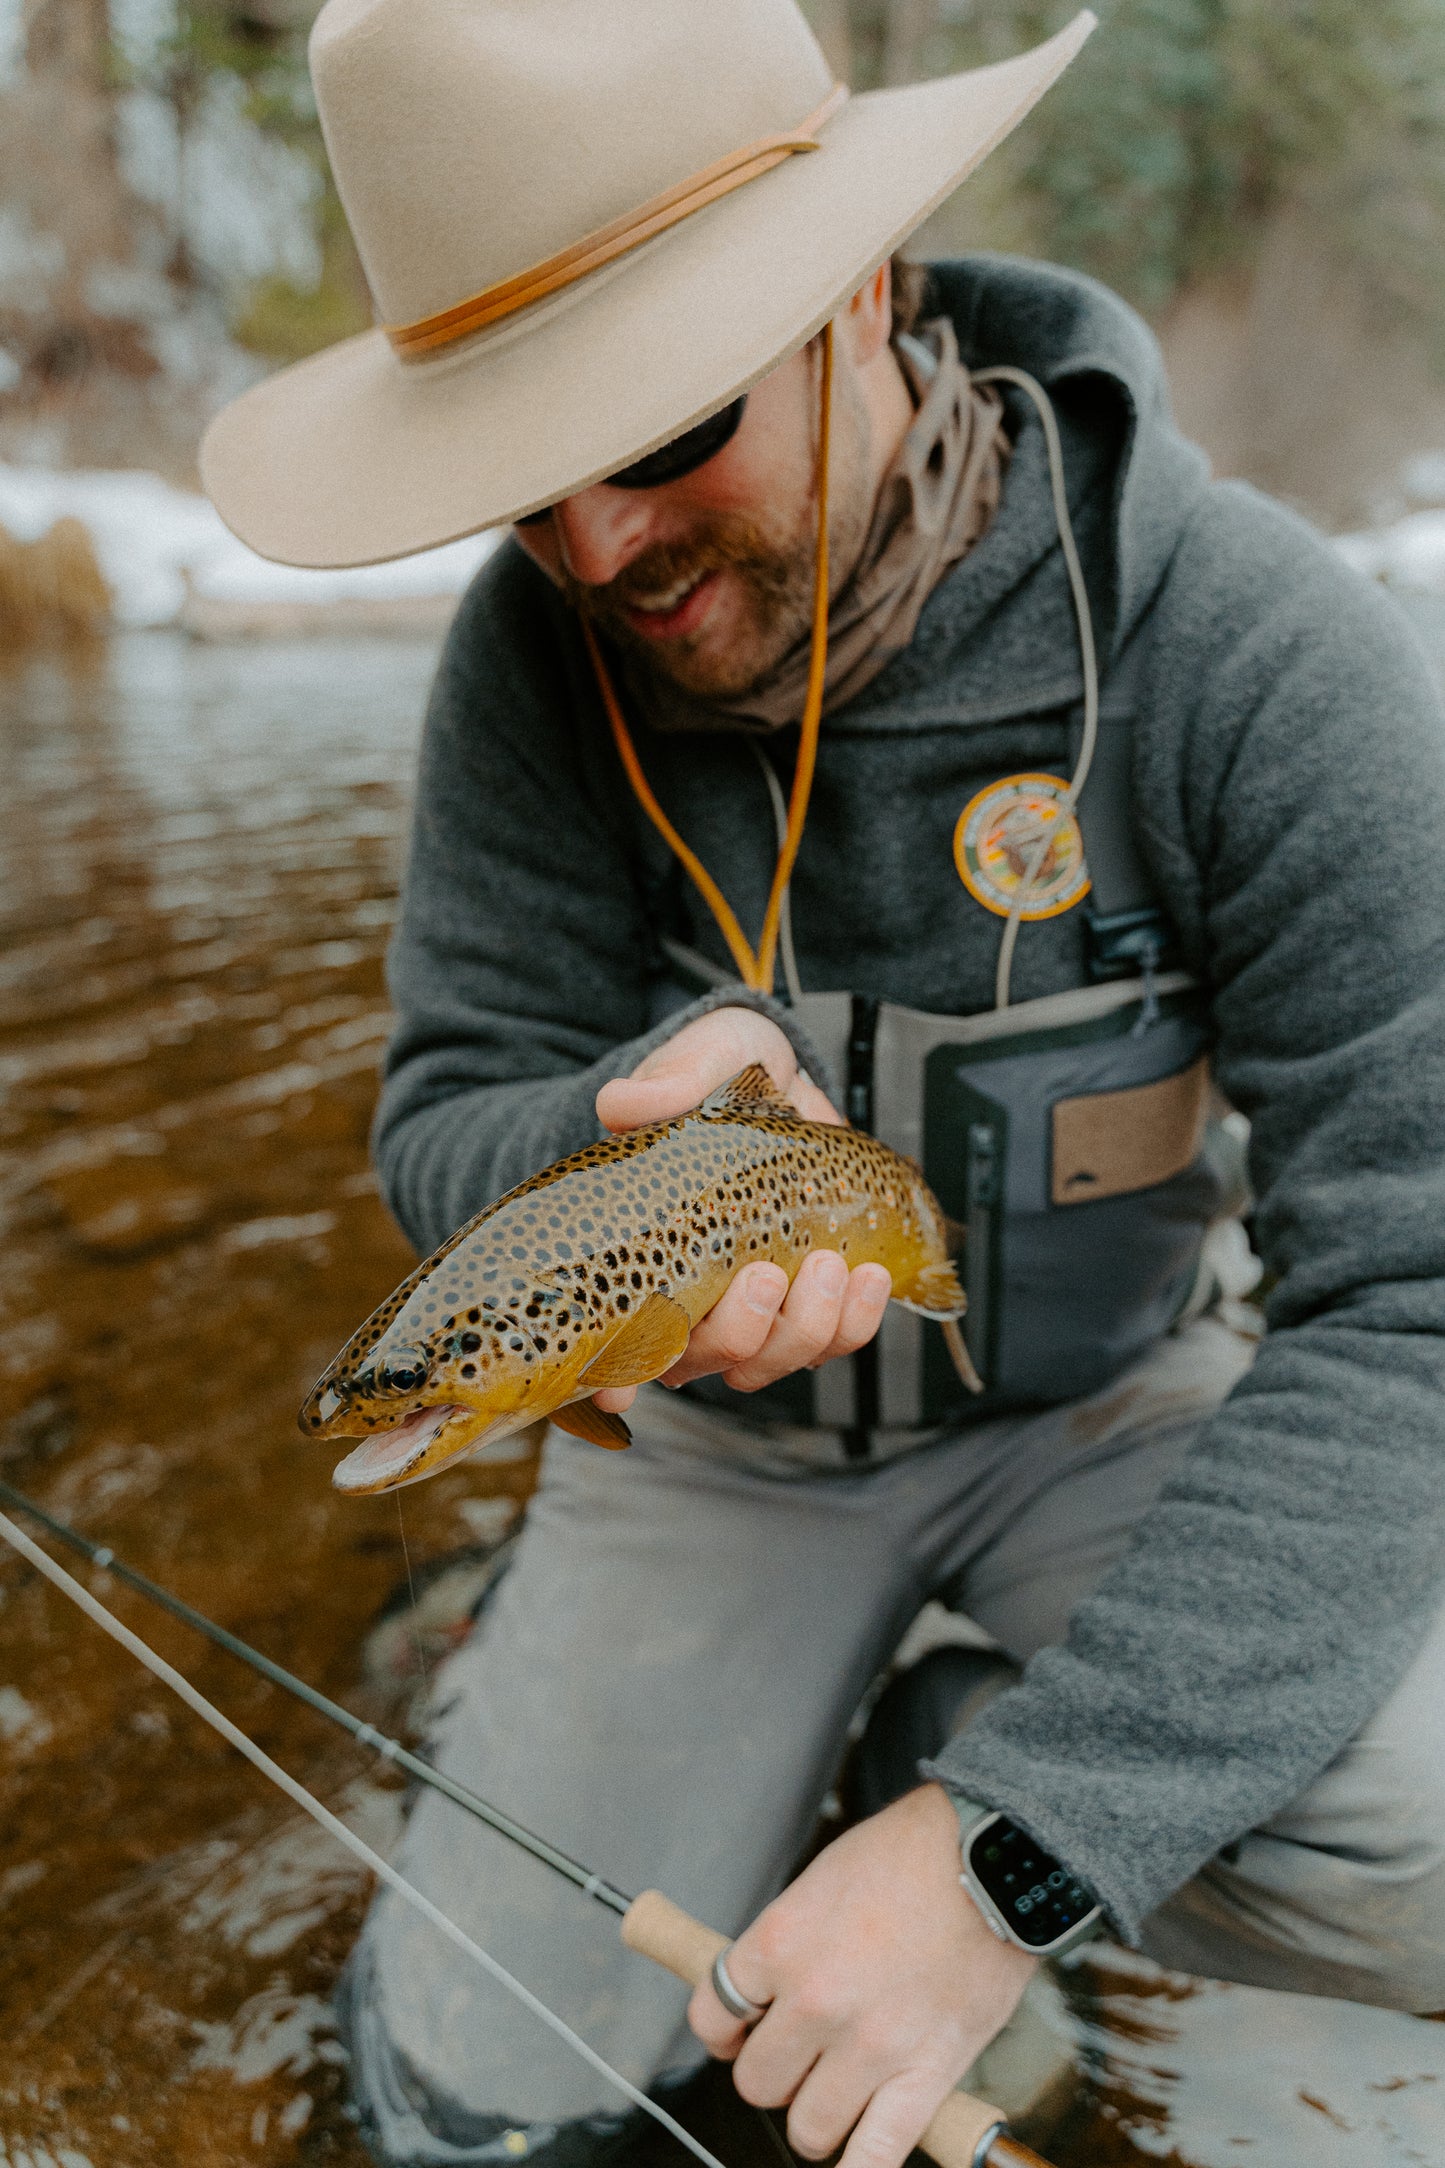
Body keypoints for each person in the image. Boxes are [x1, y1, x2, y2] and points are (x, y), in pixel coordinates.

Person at [201, 3, 1445, 2165]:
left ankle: (955, 1729)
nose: (599, 549)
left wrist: (1017, 1840)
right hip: (712, 1468)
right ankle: (788, 1726)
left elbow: (1419, 1298)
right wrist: (594, 1142)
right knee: (469, 2107)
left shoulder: (1248, 651)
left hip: (1112, 1422)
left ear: (862, 292)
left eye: (666, 426)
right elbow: (449, 1105)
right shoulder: (534, 666)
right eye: (525, 476)